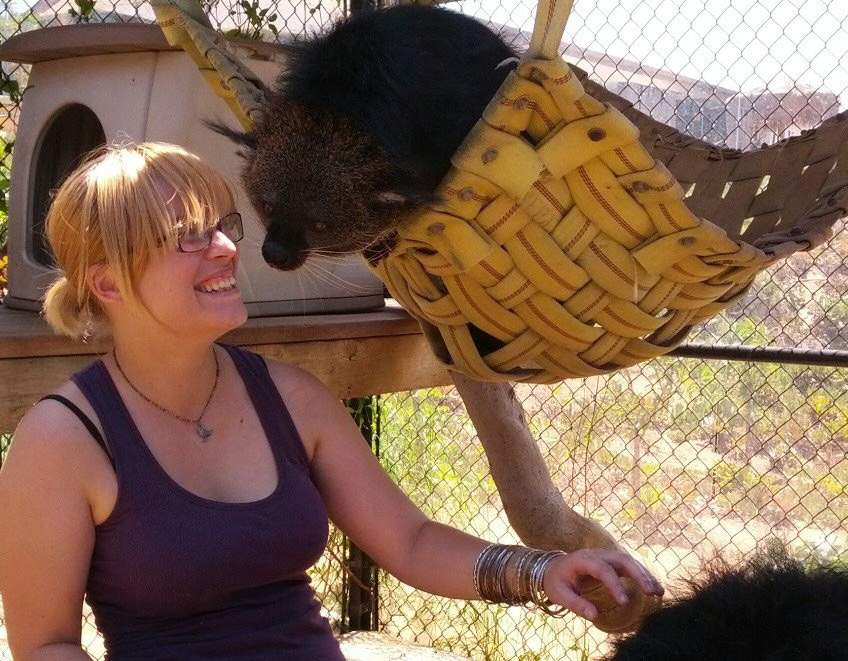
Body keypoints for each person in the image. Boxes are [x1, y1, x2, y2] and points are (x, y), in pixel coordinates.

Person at [0, 142, 663, 660]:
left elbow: (409, 539)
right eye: (187, 235)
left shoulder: (289, 397)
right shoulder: (64, 440)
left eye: (224, 224)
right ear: (109, 284)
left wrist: (540, 570)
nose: (229, 247)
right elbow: (45, 644)